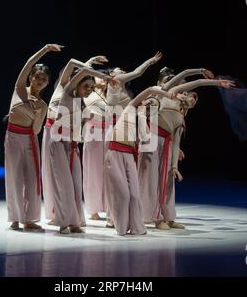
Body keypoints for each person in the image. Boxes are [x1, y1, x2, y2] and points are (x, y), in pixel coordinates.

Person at [138, 71, 234, 230]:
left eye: (194, 99)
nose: (191, 100)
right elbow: (196, 82)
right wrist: (212, 79)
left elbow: (175, 143)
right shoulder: (166, 93)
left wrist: (175, 166)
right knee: (151, 180)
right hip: (151, 139)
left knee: (168, 181)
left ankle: (168, 217)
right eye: (190, 96)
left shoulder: (180, 116)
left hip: (166, 143)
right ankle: (155, 217)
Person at [83, 52, 163, 221]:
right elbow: (138, 73)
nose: (122, 72)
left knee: (118, 173)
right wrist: (150, 61)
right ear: (112, 75)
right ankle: (107, 213)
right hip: (113, 130)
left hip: (123, 131)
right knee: (108, 172)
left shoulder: (122, 89)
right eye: (119, 70)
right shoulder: (115, 83)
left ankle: (116, 211)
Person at [104, 85, 185, 236]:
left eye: (154, 106)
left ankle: (136, 227)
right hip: (114, 152)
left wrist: (143, 117)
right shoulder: (130, 106)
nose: (150, 105)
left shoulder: (143, 120)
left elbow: (145, 138)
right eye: (149, 102)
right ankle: (120, 226)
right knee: (123, 193)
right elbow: (149, 91)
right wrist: (168, 94)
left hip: (129, 155)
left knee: (134, 194)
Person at [48, 67, 117, 234]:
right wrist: (101, 75)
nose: (89, 90)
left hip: (72, 145)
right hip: (57, 142)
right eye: (86, 86)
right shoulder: (66, 95)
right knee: (64, 184)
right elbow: (74, 67)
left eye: (91, 88)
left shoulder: (83, 103)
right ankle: (63, 222)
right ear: (76, 85)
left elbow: (78, 130)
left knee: (76, 184)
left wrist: (84, 122)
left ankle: (74, 221)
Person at [4, 43, 63, 232]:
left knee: (31, 179)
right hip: (13, 136)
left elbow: (36, 130)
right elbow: (29, 63)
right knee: (14, 177)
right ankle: (14, 218)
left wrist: (38, 113)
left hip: (29, 140)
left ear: (47, 83)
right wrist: (45, 49)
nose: (39, 80)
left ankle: (30, 219)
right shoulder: (20, 89)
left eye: (44, 79)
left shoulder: (43, 105)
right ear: (31, 77)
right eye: (37, 76)